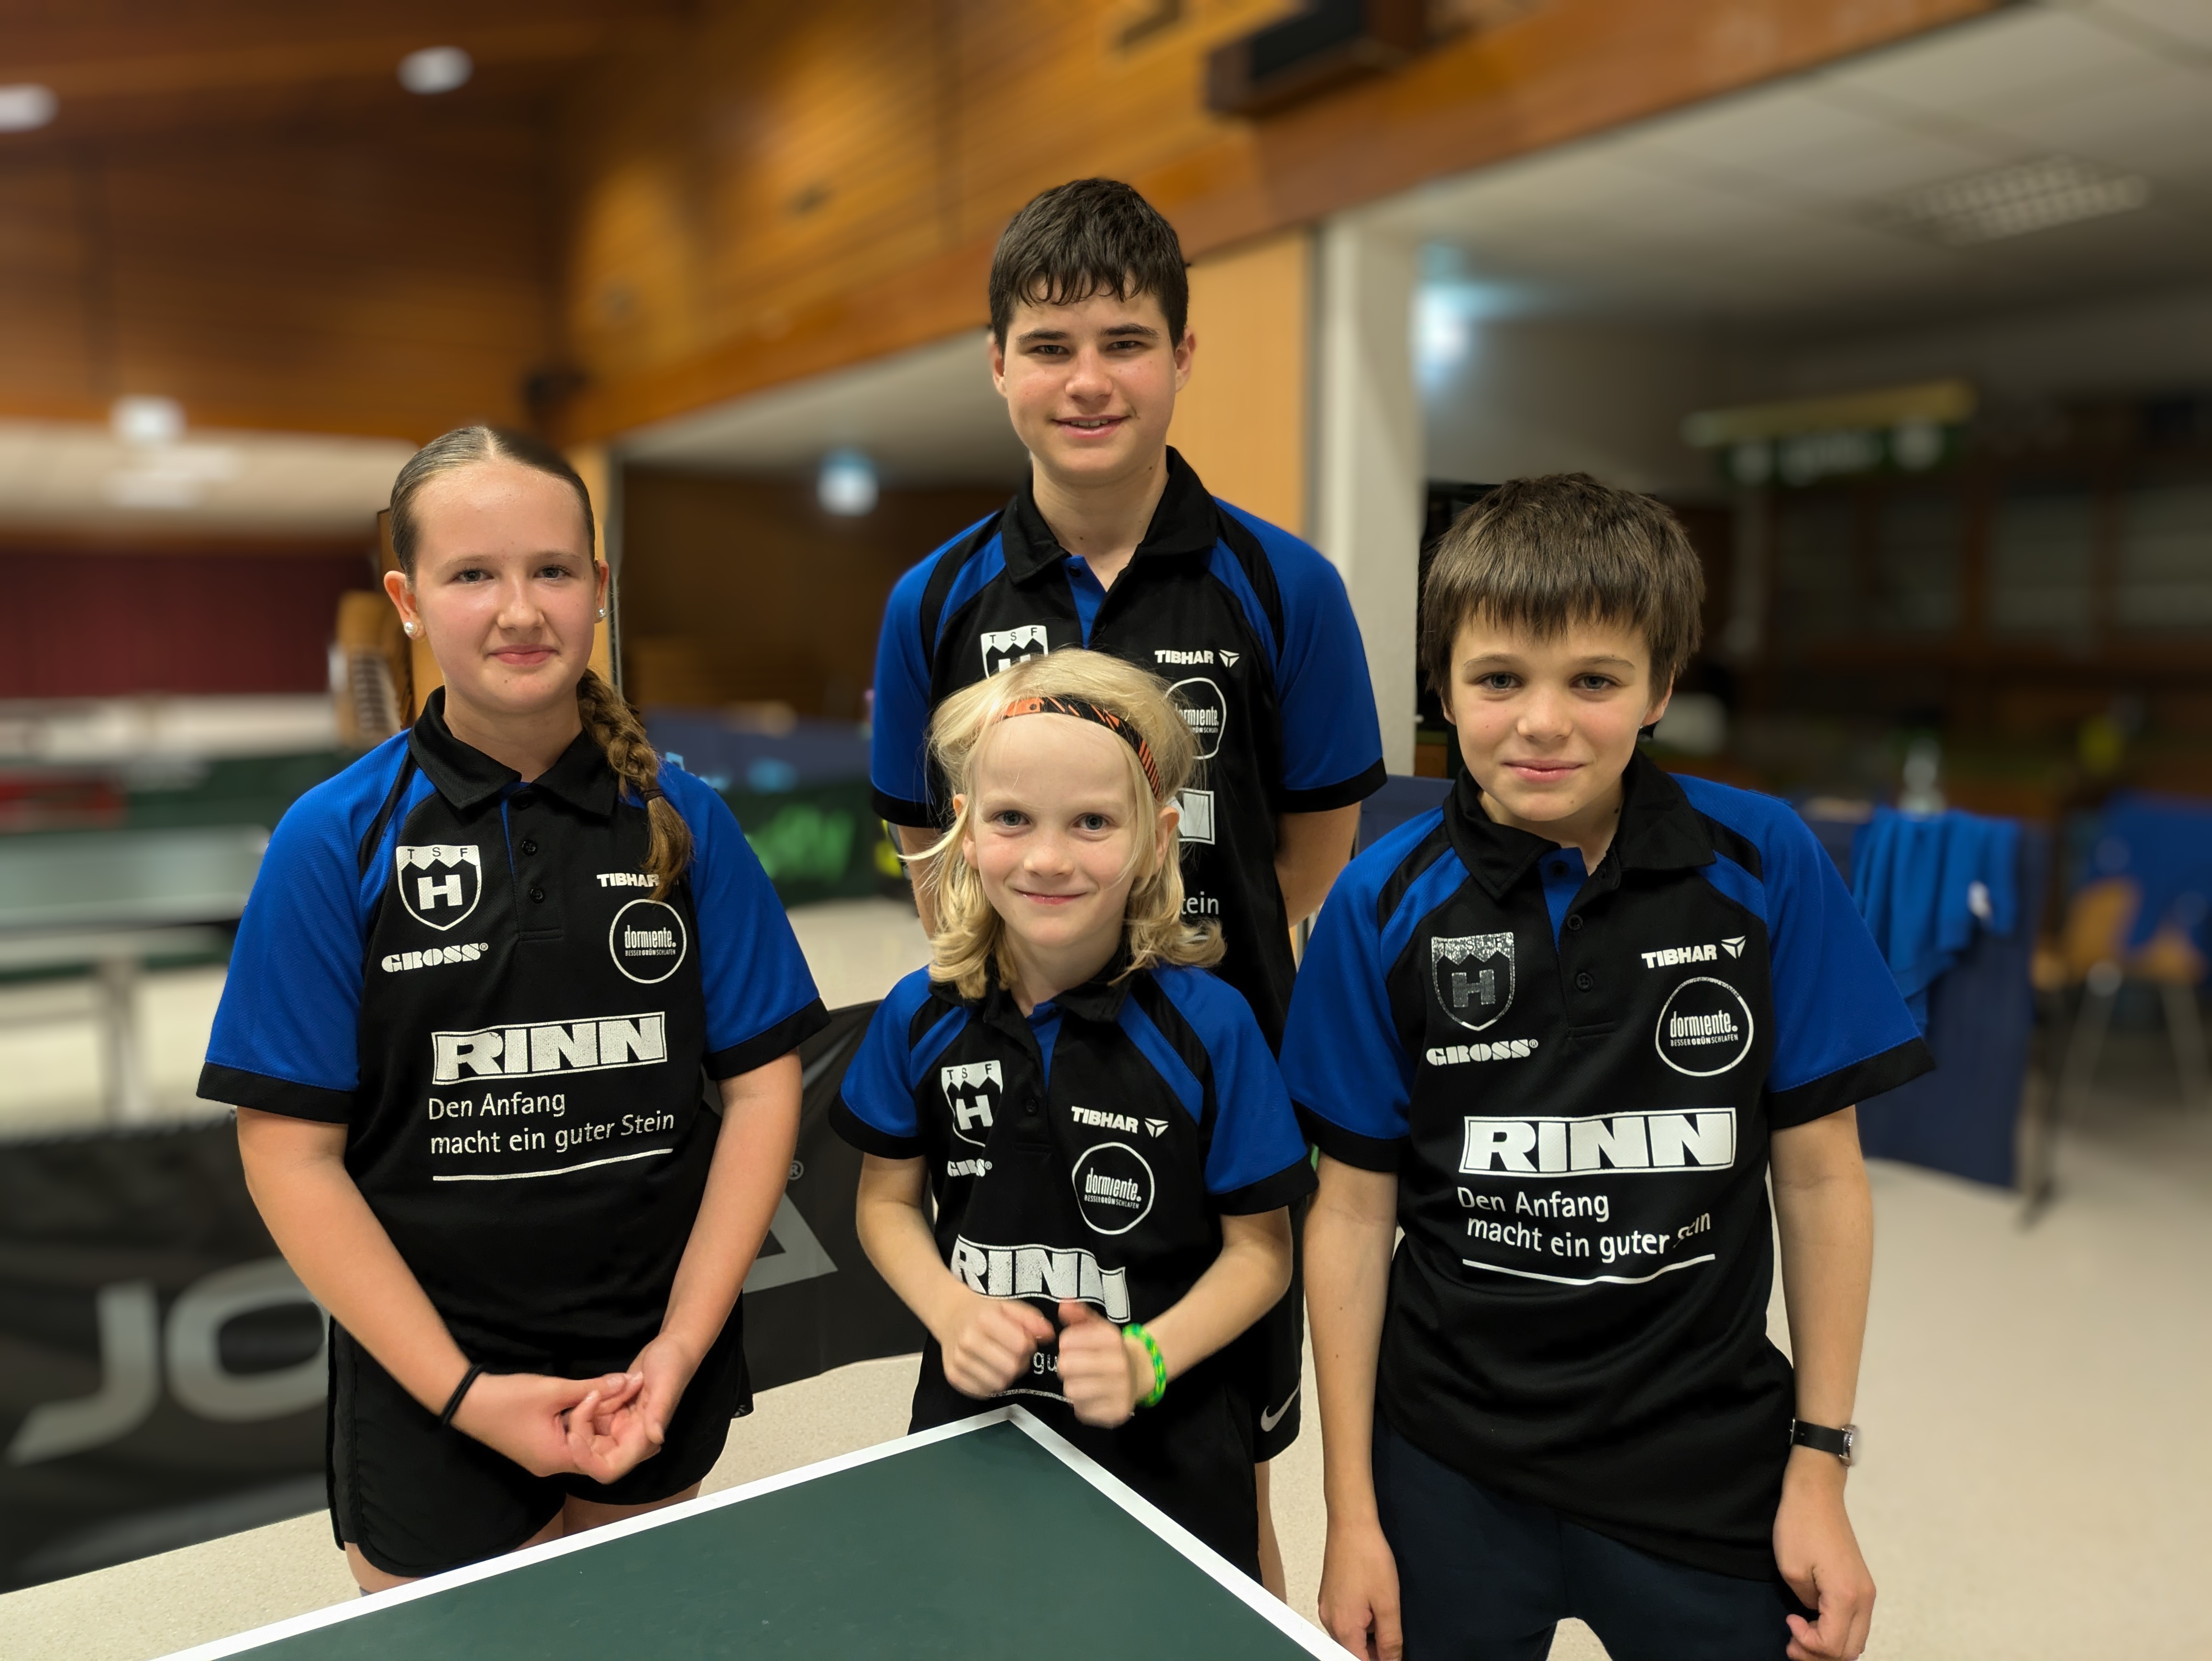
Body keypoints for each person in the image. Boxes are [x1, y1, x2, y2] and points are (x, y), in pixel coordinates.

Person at [1286, 474, 1932, 1661]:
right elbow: (1350, 1209)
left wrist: (1820, 1461)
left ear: (1660, 689)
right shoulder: (1375, 902)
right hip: (1446, 1465)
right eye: (1498, 680)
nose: (1542, 723)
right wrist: (1351, 1513)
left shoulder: (1763, 859)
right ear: (1439, 688)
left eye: (1592, 679)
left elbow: (1822, 1180)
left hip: (1704, 1460)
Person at [200, 427, 827, 1591]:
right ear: (407, 598)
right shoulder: (334, 838)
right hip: (431, 1384)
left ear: (601, 588)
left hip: (648, 1366)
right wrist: (464, 1392)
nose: (518, 608)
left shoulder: (687, 820)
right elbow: (289, 1156)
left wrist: (679, 1349)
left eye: (552, 569)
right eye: (470, 574)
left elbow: (757, 1090)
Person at [867, 176, 1384, 1586]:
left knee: (1226, 1486)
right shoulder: (934, 599)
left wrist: (1182, 997)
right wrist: (1012, 985)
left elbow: (1306, 860)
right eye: (1047, 346)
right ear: (996, 365)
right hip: (1016, 1091)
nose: (1087, 381)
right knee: (1006, 1470)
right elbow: (930, 845)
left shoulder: (1288, 588)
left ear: (1182, 356)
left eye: (1124, 341)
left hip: (1221, 1097)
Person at [834, 649, 1315, 1576]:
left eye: (1091, 821)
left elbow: (1262, 1253)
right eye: (1012, 818)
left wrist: (1148, 1355)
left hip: (1168, 1449)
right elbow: (884, 1205)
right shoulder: (918, 1014)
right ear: (966, 831)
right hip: (973, 1431)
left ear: (1155, 834)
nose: (1048, 856)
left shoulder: (1211, 1029)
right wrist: (948, 1309)